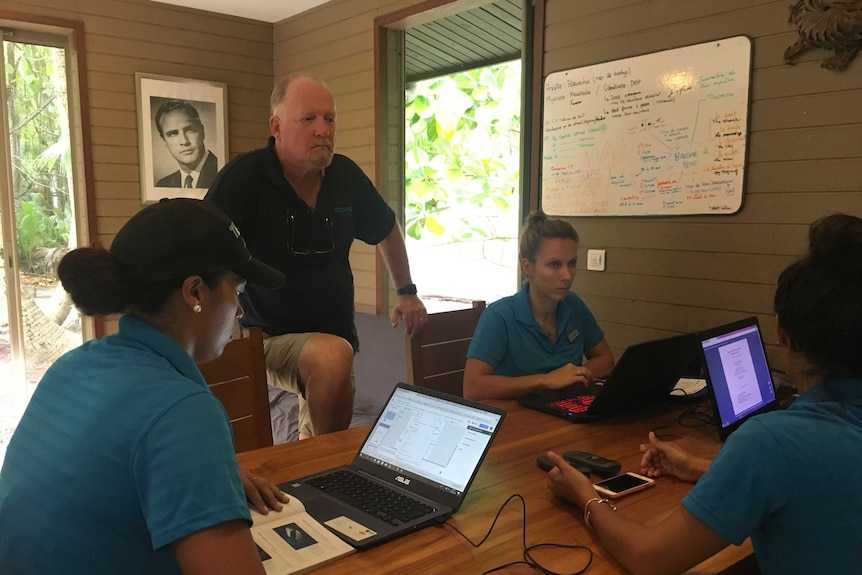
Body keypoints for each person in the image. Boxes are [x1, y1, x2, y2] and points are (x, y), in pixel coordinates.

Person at [511, 213, 862, 575]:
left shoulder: (773, 443)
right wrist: (706, 467)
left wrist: (584, 494)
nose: (565, 274)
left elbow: (649, 559)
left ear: (781, 332)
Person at [0, 198, 291, 574]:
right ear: (195, 292)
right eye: (236, 291)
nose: (239, 310)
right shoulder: (182, 410)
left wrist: (203, 474)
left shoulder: (73, 366)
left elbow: (102, 476)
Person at [205, 74, 427, 440]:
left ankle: (313, 478)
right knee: (330, 357)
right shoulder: (245, 179)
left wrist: (406, 291)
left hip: (336, 337)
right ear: (276, 126)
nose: (323, 129)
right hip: (265, 339)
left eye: (330, 119)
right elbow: (205, 248)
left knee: (329, 438)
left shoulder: (345, 177)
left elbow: (386, 228)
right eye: (308, 119)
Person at [463, 211, 614, 400]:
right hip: (516, 419)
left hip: (564, 411)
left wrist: (575, 375)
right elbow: (472, 388)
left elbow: (605, 360)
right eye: (554, 265)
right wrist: (546, 380)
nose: (567, 275)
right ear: (527, 267)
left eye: (572, 263)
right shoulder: (499, 316)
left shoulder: (573, 305)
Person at [154, 99, 218, 189]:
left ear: (202, 131)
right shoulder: (163, 184)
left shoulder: (222, 175)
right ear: (164, 141)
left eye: (190, 130)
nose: (184, 141)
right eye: (173, 134)